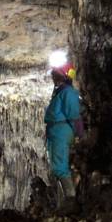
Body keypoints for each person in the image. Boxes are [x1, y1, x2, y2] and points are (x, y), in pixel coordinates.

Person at [44, 63, 82, 200]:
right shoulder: (60, 92)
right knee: (57, 168)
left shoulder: (68, 92)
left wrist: (79, 134)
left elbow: (74, 116)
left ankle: (70, 201)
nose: (52, 75)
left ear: (64, 75)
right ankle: (64, 202)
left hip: (61, 131)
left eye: (55, 73)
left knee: (60, 168)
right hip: (55, 131)